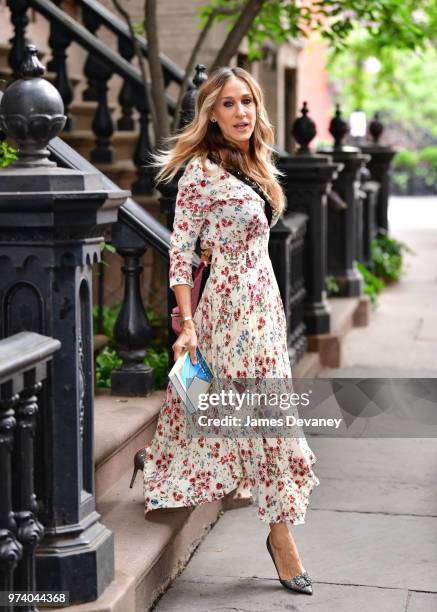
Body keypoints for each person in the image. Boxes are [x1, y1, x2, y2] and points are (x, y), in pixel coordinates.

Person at [143, 66, 320, 596]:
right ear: (211, 114)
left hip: (265, 303)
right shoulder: (199, 172)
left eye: (247, 101)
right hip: (228, 309)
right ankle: (282, 539)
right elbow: (180, 252)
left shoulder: (255, 160)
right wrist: (188, 323)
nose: (242, 112)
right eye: (228, 104)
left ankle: (154, 461)